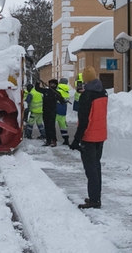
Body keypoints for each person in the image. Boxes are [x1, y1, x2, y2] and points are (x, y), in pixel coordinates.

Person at [70, 66, 108, 209]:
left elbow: (85, 120)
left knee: (90, 169)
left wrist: (76, 140)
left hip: (89, 137)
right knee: (96, 167)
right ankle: (95, 197)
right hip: (100, 135)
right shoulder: (103, 92)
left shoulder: (87, 96)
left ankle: (94, 200)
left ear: (85, 79)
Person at [34, 79, 62, 146]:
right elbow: (37, 89)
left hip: (52, 111)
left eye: (53, 84)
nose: (51, 85)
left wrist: (64, 100)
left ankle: (54, 140)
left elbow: (62, 101)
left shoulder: (57, 93)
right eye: (50, 84)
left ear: (55, 85)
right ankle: (48, 141)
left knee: (51, 126)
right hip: (45, 111)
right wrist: (38, 82)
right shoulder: (46, 91)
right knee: (46, 126)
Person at [55, 79, 71, 144]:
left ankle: (52, 139)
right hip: (63, 111)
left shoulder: (57, 90)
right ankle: (66, 139)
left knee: (51, 125)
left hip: (56, 110)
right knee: (63, 126)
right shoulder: (67, 91)